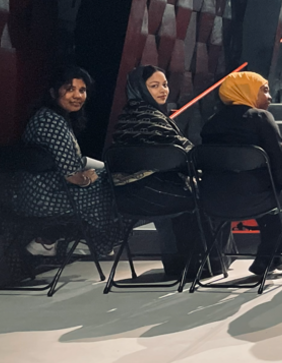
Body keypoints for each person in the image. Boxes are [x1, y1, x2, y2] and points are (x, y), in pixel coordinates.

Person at [111, 65, 214, 278]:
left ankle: (177, 265)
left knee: (182, 193)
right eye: (154, 86)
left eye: (165, 85)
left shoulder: (125, 119)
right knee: (207, 195)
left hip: (124, 197)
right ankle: (204, 265)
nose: (163, 90)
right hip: (151, 193)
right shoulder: (152, 119)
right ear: (139, 88)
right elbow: (187, 155)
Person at [200, 71, 282, 282]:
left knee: (264, 193)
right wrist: (278, 185)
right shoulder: (261, 118)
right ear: (248, 91)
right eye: (264, 90)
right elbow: (279, 161)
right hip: (255, 199)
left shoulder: (210, 123)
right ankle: (267, 256)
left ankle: (277, 256)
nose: (270, 96)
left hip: (213, 201)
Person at [19, 66, 124, 258]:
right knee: (115, 184)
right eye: (70, 89)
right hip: (48, 199)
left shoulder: (47, 117)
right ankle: (90, 242)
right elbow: (73, 176)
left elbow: (68, 161)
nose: (77, 95)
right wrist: (89, 179)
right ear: (53, 92)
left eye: (82, 90)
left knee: (108, 176)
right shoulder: (52, 122)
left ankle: (52, 240)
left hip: (36, 194)